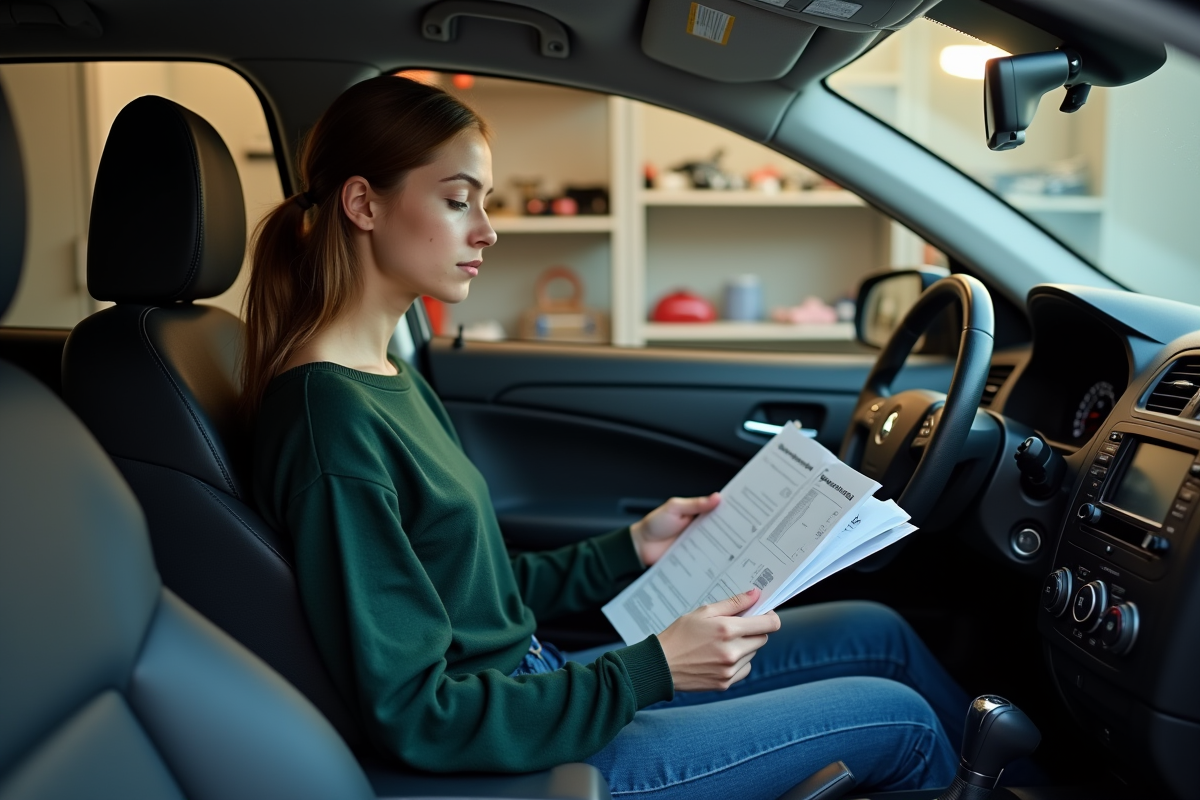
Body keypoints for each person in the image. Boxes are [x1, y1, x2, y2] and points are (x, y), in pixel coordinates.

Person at [245, 75, 967, 800]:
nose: (488, 230)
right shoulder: (330, 422)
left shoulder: (386, 373)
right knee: (902, 722)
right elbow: (416, 714)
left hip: (543, 686)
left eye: (486, 203)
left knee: (877, 634)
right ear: (364, 203)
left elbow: (474, 595)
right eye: (459, 200)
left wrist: (630, 549)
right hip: (529, 753)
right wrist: (652, 668)